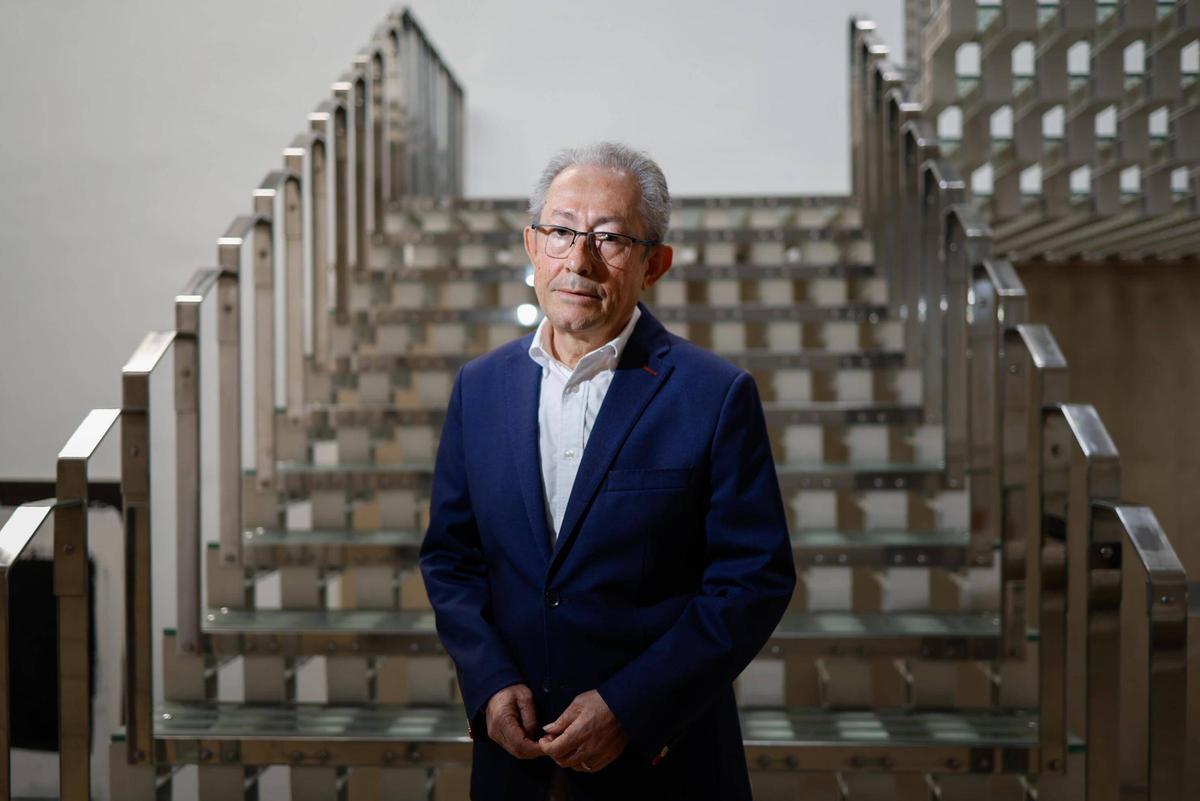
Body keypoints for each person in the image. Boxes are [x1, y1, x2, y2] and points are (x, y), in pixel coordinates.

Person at [419, 142, 795, 800]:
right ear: (532, 245)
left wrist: (632, 705)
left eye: (611, 238)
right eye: (561, 231)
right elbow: (452, 558)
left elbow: (752, 581)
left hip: (664, 767)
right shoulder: (480, 387)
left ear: (655, 264)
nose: (579, 260)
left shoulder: (713, 394)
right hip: (518, 766)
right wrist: (488, 680)